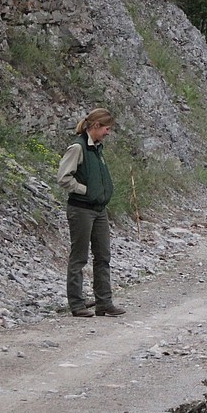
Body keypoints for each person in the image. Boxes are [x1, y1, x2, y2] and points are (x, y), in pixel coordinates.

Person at [56, 108, 126, 317]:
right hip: (81, 209)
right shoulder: (77, 148)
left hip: (98, 210)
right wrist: (86, 191)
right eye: (106, 128)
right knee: (79, 257)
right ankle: (76, 304)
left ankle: (104, 302)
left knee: (103, 256)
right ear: (95, 126)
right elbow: (63, 177)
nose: (108, 132)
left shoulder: (96, 148)